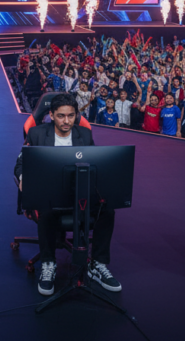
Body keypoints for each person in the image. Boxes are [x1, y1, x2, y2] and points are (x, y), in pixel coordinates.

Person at [14, 93, 120, 297]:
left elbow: (95, 163)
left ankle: (98, 264)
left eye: (71, 116)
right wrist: (23, 176)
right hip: (49, 193)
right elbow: (20, 163)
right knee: (46, 207)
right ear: (51, 115)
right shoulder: (36, 134)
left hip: (79, 192)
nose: (66, 121)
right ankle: (48, 263)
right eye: (61, 116)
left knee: (108, 208)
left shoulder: (84, 135)